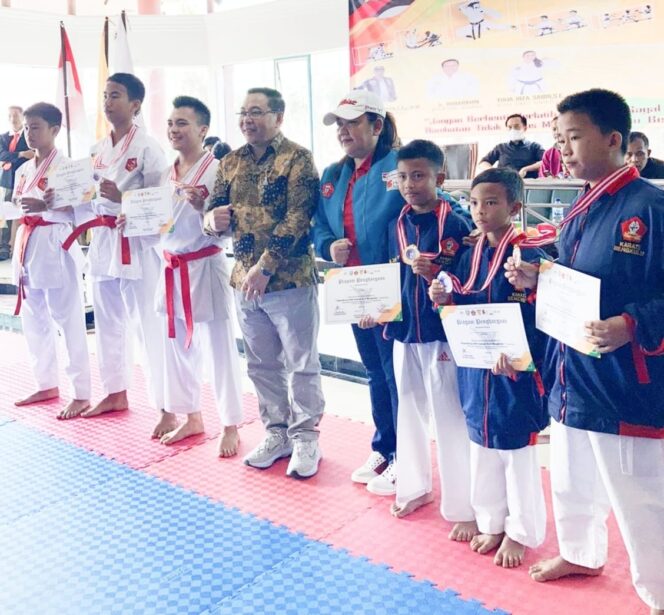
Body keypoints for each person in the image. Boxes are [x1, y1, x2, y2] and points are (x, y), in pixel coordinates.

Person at [506, 88, 664, 614]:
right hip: (573, 368)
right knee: (572, 476)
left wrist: (632, 324)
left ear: (613, 139)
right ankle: (580, 552)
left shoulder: (651, 207)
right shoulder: (581, 204)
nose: (563, 149)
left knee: (642, 498)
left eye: (573, 137)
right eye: (559, 138)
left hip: (626, 380)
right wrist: (537, 278)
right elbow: (576, 279)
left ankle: (659, 592)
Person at [359, 139, 477, 542]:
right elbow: (392, 275)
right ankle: (413, 487)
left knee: (449, 419)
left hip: (442, 335)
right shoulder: (398, 222)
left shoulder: (458, 224)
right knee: (407, 411)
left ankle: (463, 505)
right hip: (403, 331)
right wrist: (376, 309)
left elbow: (472, 281)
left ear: (439, 178)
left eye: (419, 176)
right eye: (403, 177)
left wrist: (442, 278)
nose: (409, 184)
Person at [430, 167, 549, 568]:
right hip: (477, 369)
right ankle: (491, 522)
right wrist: (443, 298)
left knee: (516, 454)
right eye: (475, 202)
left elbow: (547, 317)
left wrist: (523, 357)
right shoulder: (469, 255)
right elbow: (462, 305)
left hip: (516, 372)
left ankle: (521, 531)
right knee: (481, 447)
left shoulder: (531, 256)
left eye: (491, 202)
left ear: (515, 207)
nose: (480, 211)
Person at [203, 87, 324, 478]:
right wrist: (210, 222)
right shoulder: (230, 161)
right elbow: (213, 210)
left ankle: (306, 437)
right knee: (260, 364)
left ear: (278, 116)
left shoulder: (298, 158)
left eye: (256, 112)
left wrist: (266, 267)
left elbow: (299, 217)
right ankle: (276, 433)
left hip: (289, 280)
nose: (247, 120)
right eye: (243, 112)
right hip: (243, 281)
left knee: (301, 363)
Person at [119, 96, 244, 454]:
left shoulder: (220, 170)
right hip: (171, 266)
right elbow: (158, 228)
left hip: (205, 265)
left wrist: (203, 208)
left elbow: (233, 227)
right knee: (175, 347)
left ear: (203, 130)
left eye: (182, 123)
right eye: (171, 123)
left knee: (219, 349)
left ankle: (230, 424)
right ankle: (191, 416)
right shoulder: (165, 174)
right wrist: (134, 222)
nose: (174, 129)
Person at [62, 73, 167, 420]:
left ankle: (165, 404)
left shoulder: (148, 148)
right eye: (105, 95)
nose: (107, 102)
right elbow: (86, 202)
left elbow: (163, 205)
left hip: (135, 244)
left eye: (116, 95)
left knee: (146, 324)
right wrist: (62, 200)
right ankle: (115, 392)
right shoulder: (96, 150)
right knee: (107, 321)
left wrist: (125, 200)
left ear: (135, 104)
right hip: (103, 242)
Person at [313, 90, 403, 495]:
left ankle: (406, 454)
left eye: (352, 123)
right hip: (352, 289)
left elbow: (435, 206)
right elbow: (319, 225)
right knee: (374, 372)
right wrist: (327, 245)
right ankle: (384, 446)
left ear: (377, 125)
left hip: (395, 289)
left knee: (395, 374)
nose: (343, 131)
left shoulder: (400, 166)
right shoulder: (333, 175)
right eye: (339, 125)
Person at [11, 102, 90, 420]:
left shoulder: (70, 169)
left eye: (36, 127)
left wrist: (47, 206)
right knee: (34, 319)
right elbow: (18, 208)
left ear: (55, 130)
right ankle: (46, 384)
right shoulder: (22, 170)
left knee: (68, 319)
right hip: (27, 245)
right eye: (26, 128)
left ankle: (81, 393)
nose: (29, 133)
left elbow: (82, 212)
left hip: (56, 243)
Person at [0, 106, 33, 260]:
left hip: (25, 180)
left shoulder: (29, 136)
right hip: (7, 181)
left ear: (22, 116)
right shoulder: (3, 137)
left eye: (16, 115)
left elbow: (33, 154)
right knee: (7, 212)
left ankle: (20, 245)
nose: (13, 119)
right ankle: (5, 246)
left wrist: (11, 156)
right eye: (10, 116)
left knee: (23, 211)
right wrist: (21, 154)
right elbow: (2, 155)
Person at [478, 113, 544, 179]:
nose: (513, 130)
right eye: (510, 127)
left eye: (516, 126)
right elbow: (483, 163)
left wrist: (526, 169)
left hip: (528, 182)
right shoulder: (500, 147)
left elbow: (545, 161)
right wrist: (495, 172)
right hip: (504, 183)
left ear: (525, 128)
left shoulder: (534, 146)